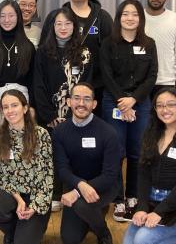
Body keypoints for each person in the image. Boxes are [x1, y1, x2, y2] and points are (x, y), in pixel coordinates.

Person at [100, 0, 158, 220]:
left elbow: (152, 76)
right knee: (116, 152)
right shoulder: (108, 43)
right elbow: (106, 75)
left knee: (137, 152)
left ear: (140, 19)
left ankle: (133, 196)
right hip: (113, 102)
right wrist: (122, 101)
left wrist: (133, 100)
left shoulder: (149, 43)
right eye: (125, 14)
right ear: (119, 17)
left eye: (134, 14)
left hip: (140, 103)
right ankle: (117, 200)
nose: (130, 18)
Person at [124, 88, 176, 244]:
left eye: (171, 104)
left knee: (143, 239)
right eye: (159, 105)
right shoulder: (150, 134)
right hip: (152, 198)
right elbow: (143, 174)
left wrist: (159, 212)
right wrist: (142, 207)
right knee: (128, 240)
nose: (164, 109)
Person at [0, 89, 53, 244]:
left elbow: (47, 177)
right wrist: (19, 200)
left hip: (37, 196)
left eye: (14, 105)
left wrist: (34, 206)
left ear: (25, 108)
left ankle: (23, 231)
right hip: (13, 193)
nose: (10, 110)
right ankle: (16, 230)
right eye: (5, 107)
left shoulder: (41, 134)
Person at [53, 82, 121, 244]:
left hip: (104, 186)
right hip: (74, 184)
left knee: (83, 206)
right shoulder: (59, 131)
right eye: (76, 98)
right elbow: (62, 169)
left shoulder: (108, 132)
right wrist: (79, 186)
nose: (81, 103)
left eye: (86, 99)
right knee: (70, 239)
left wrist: (77, 191)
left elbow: (110, 175)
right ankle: (91, 218)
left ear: (94, 104)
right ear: (69, 102)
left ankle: (102, 231)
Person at [41, 0, 113, 114]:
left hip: (94, 85)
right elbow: (45, 48)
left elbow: (110, 51)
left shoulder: (102, 17)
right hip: (60, 84)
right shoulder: (55, 16)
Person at [0, 0, 35, 140]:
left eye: (11, 15)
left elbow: (33, 79)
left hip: (21, 96)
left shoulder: (28, 46)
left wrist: (32, 106)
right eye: (2, 16)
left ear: (18, 17)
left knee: (20, 139)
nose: (6, 20)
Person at [34, 7, 93, 129]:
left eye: (67, 23)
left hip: (78, 116)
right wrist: (50, 116)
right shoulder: (42, 52)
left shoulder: (84, 53)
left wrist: (72, 116)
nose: (63, 28)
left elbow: (87, 85)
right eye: (59, 24)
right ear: (53, 26)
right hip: (49, 119)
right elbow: (38, 86)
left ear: (74, 26)